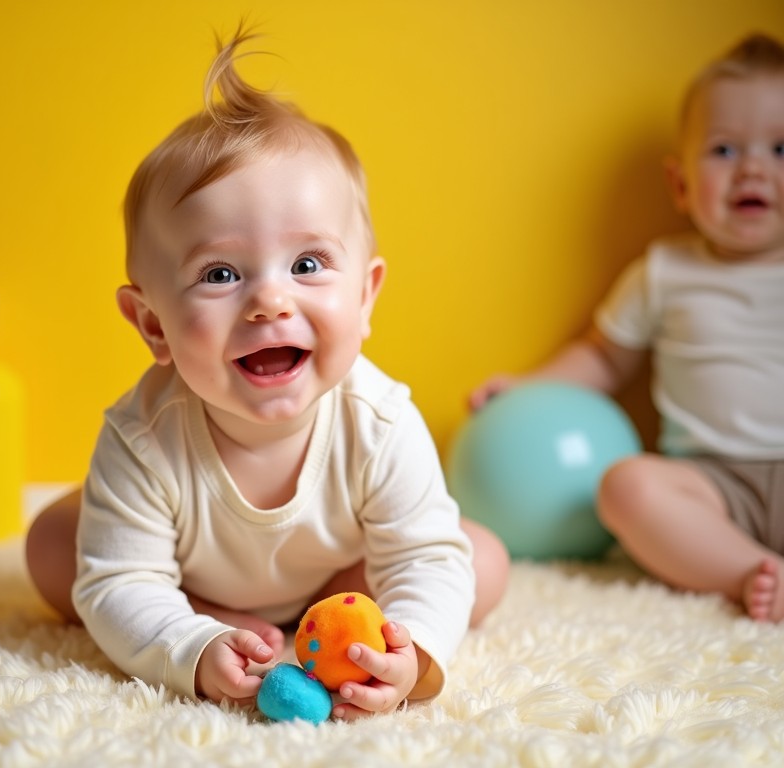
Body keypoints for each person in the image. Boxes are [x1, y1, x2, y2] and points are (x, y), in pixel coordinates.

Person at [26, 28, 509, 719]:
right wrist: (190, 645)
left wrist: (413, 658)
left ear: (366, 295)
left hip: (340, 585)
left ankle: (306, 626)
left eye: (307, 264)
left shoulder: (377, 419)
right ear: (153, 325)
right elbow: (118, 582)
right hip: (187, 574)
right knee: (56, 549)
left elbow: (423, 558)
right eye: (220, 273)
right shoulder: (143, 437)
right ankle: (207, 612)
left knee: (475, 558)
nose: (270, 301)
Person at [470, 32, 784, 622]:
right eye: (723, 150)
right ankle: (750, 572)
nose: (752, 170)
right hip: (711, 485)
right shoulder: (663, 271)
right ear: (681, 185)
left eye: (780, 149)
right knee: (626, 489)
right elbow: (605, 357)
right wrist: (528, 388)